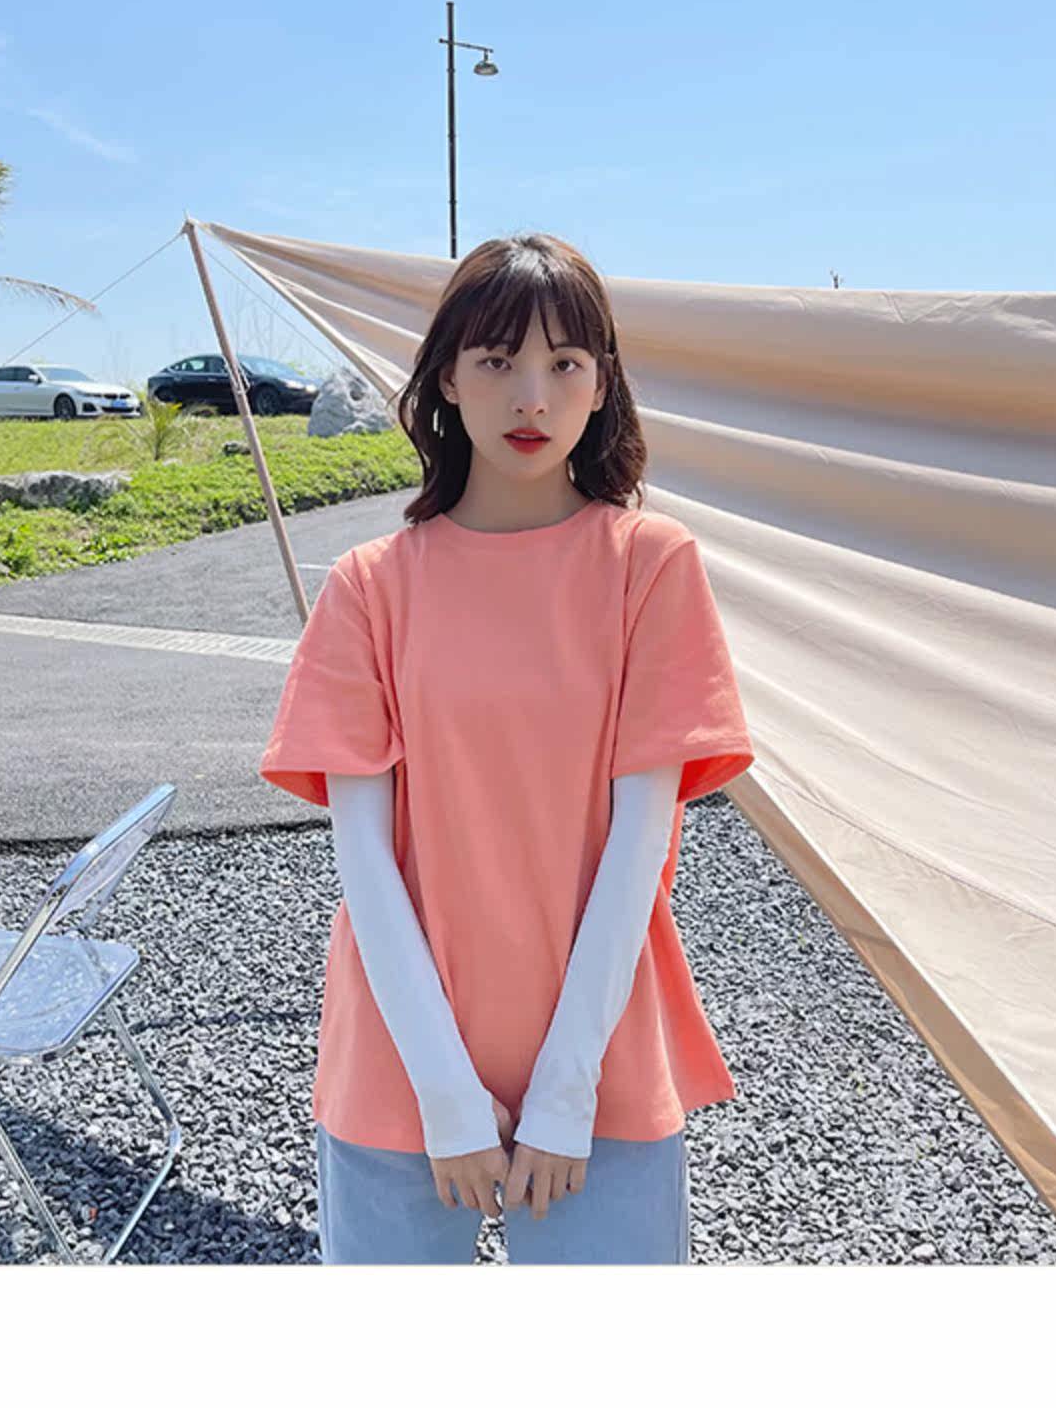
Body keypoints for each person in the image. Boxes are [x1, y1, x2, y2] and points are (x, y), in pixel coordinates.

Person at [259, 230, 753, 1264]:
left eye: (564, 364)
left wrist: (567, 1093)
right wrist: (444, 1093)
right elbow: (363, 860)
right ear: (447, 377)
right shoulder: (370, 586)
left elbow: (640, 844)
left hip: (603, 1059)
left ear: (602, 383)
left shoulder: (650, 566)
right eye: (496, 361)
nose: (532, 397)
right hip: (400, 1061)